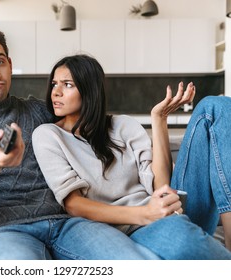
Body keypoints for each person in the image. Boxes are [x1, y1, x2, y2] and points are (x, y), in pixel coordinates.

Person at [0, 23, 161, 260]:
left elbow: (91, 123)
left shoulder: (40, 111)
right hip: (6, 231)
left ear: (10, 65)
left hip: (71, 224)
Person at [32, 54, 231, 259]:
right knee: (183, 240)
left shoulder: (123, 125)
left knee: (217, 107)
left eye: (67, 85)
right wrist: (146, 214)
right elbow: (73, 204)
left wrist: (159, 120)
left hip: (167, 209)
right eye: (55, 84)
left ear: (89, 90)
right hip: (132, 228)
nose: (56, 92)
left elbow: (159, 187)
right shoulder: (48, 135)